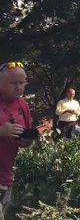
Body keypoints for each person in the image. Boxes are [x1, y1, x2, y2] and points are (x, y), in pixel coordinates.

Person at [0, 62, 33, 219]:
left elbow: (25, 136)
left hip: (7, 172)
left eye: (22, 83)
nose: (19, 87)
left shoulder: (23, 105)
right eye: (14, 83)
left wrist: (26, 140)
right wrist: (2, 131)